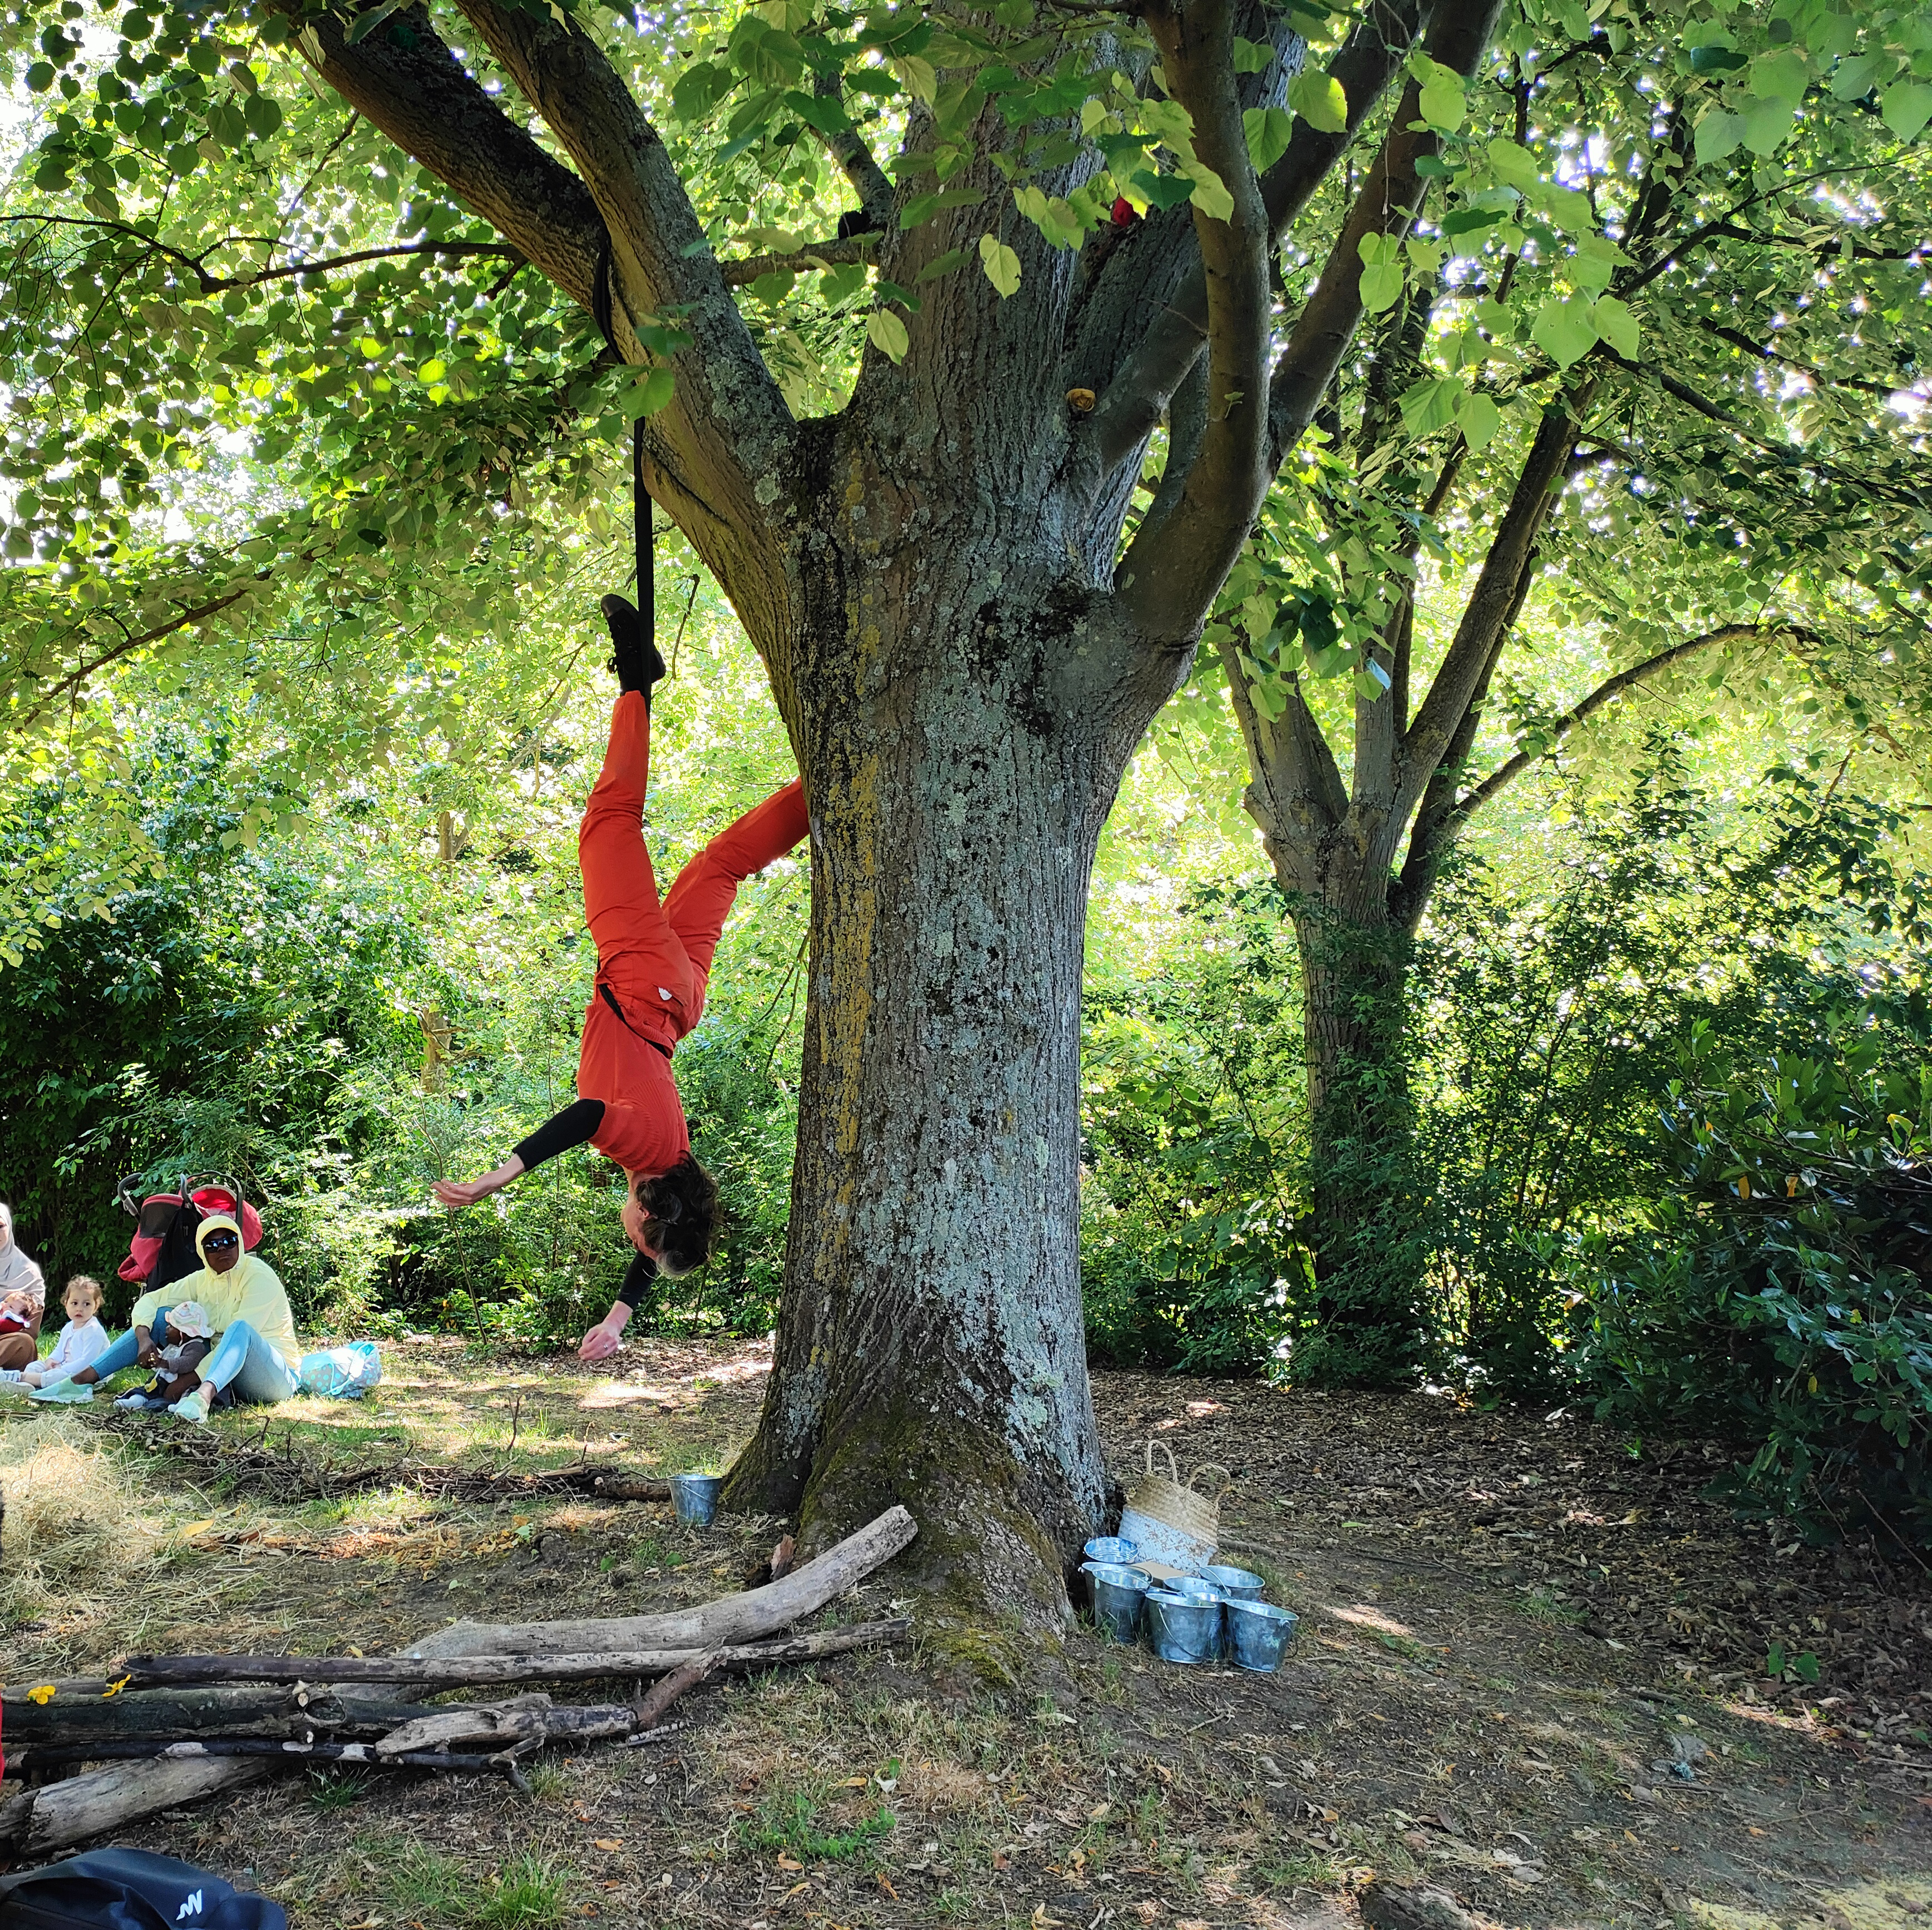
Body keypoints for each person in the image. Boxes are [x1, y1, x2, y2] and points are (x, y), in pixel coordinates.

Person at [431, 595, 808, 1362]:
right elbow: (584, 1115)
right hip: (640, 975)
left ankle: (825, 792)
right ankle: (637, 680)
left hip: (681, 999)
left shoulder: (670, 1156)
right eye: (644, 1235)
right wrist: (500, 1175)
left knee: (721, 864)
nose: (635, 1240)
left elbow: (658, 1238)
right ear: (645, 1212)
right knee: (608, 820)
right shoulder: (636, 1147)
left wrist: (619, 1318)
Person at [34, 1214, 300, 1420]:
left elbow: (239, 1339)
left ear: (239, 1243)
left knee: (240, 1328)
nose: (222, 1249)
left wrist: (186, 1380)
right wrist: (144, 1339)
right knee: (162, 1317)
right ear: (202, 1252)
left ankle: (201, 1399)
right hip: (226, 1375)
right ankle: (81, 1381)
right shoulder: (202, 1280)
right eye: (213, 1245)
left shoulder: (258, 1275)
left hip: (274, 1378)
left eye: (229, 1241)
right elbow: (151, 1299)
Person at [0, 1274, 109, 1390]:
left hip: (86, 1374)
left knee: (57, 1376)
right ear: (66, 1304)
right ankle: (26, 1386)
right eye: (75, 1303)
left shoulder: (94, 1331)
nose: (80, 1309)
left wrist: (61, 1369)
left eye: (87, 1304)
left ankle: (19, 1378)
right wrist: (50, 1361)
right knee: (35, 1366)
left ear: (95, 1307)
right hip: (65, 1367)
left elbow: (87, 1362)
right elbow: (59, 1350)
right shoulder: (69, 1328)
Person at [0, 1203, 46, 1372]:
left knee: (25, 1344)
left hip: (6, 1342)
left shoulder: (28, 1273)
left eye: (0, 1226)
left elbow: (30, 1331)